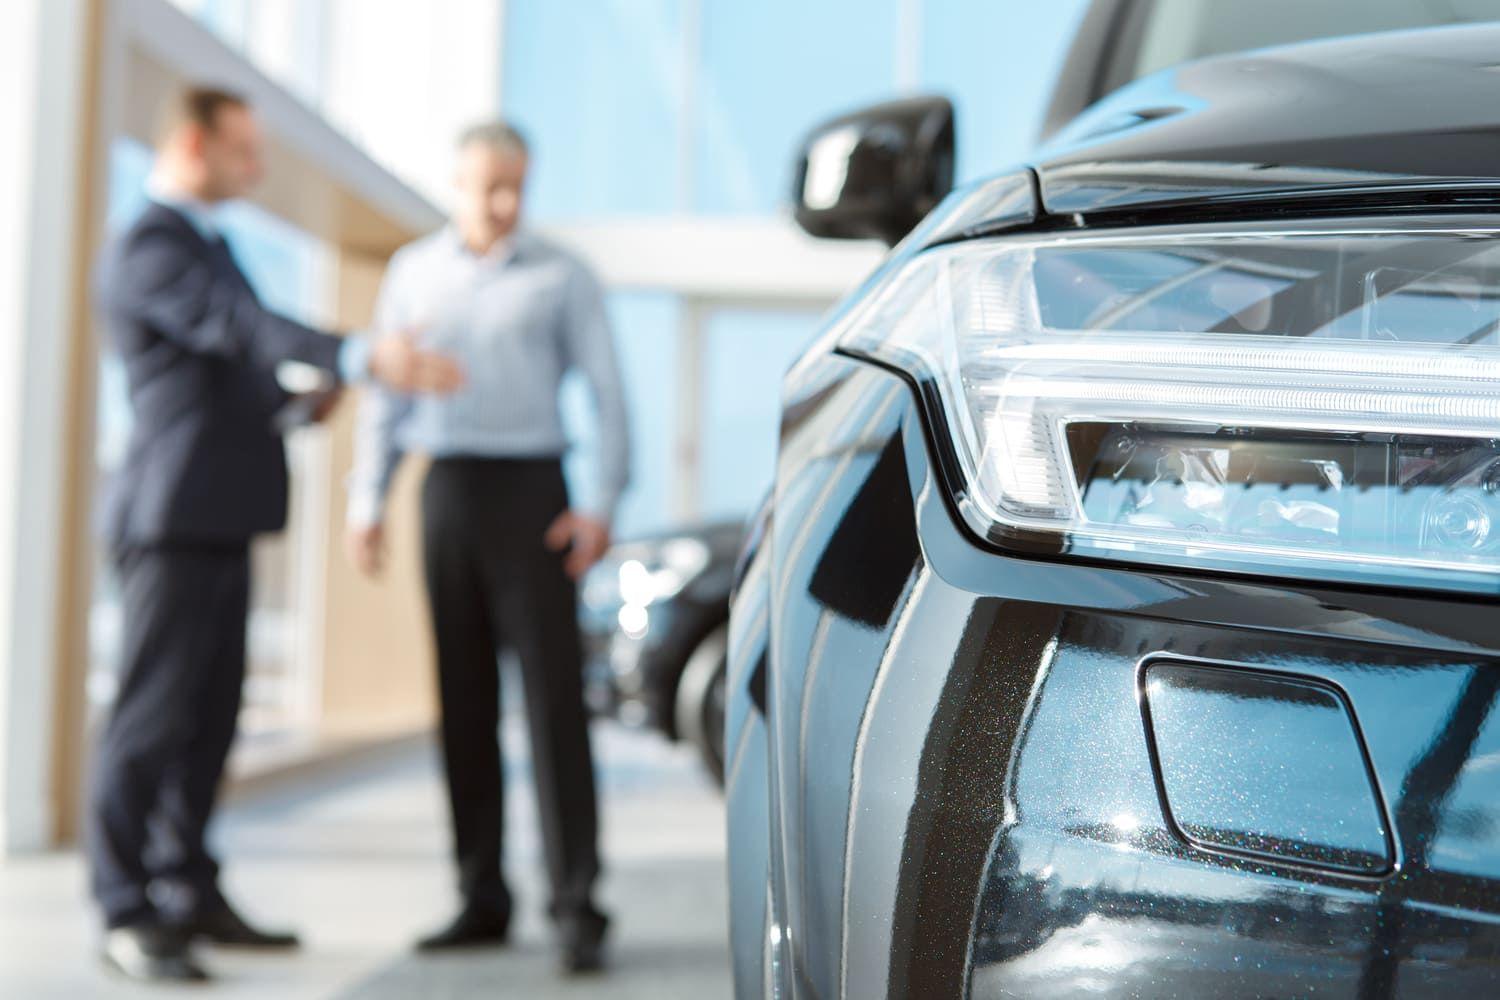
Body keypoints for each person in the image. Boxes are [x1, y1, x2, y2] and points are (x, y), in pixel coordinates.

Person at [90, 86, 464, 984]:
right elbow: (239, 329)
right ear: (193, 144)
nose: (256, 169)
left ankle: (187, 889)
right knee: (150, 720)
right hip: (171, 522)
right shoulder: (152, 245)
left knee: (211, 720)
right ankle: (125, 907)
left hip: (220, 518)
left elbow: (231, 378)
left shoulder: (211, 246)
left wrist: (303, 401)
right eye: (243, 151)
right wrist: (356, 354)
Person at [345, 121, 629, 975]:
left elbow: (608, 393)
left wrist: (600, 504)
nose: (504, 203)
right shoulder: (413, 273)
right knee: (462, 697)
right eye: (489, 186)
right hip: (448, 491)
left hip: (533, 492)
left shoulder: (562, 275)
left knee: (553, 703)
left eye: (516, 186)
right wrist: (367, 501)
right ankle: (480, 896)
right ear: (458, 184)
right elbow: (388, 395)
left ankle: (576, 904)